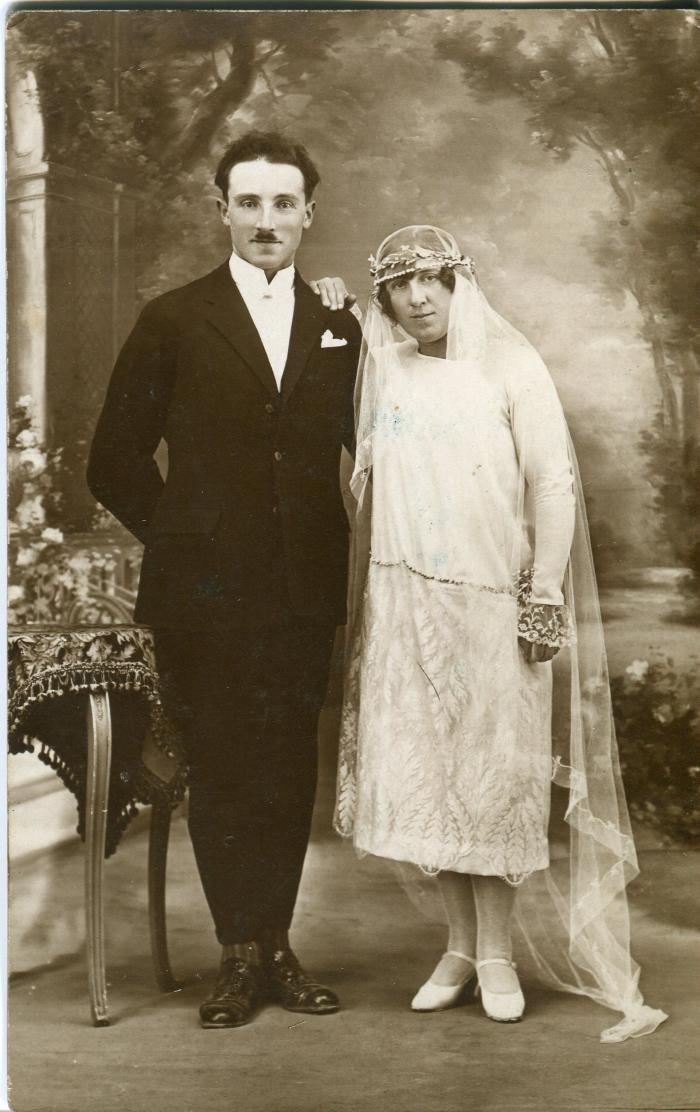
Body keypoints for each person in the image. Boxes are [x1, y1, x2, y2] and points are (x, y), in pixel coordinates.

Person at [335, 225, 667, 1041]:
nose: (418, 298)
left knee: (493, 782)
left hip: (493, 604)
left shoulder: (512, 366)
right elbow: (364, 482)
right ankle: (457, 947)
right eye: (400, 285)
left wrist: (543, 593)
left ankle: (497, 955)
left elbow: (552, 483)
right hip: (409, 605)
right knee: (431, 779)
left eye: (431, 280)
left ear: (459, 284)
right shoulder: (386, 370)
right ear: (385, 300)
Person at [88, 130, 361, 1029]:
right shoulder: (173, 318)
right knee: (224, 767)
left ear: (308, 214)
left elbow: (380, 448)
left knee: (287, 767)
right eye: (249, 202)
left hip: (304, 585)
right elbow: (113, 460)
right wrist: (189, 542)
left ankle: (277, 947)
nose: (266, 219)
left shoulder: (339, 326)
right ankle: (237, 955)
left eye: (284, 202)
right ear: (222, 211)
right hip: (203, 594)